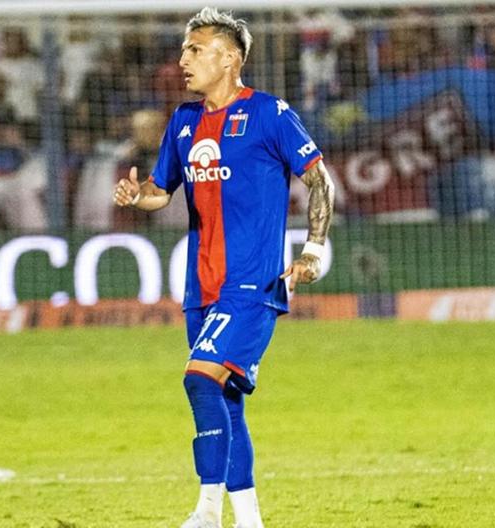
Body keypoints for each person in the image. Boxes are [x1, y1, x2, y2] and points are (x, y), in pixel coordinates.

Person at [112, 7, 334, 528]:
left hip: (253, 284)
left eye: (195, 49)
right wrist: (137, 196)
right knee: (226, 401)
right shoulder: (184, 121)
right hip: (202, 287)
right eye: (183, 49)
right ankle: (249, 521)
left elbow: (319, 179)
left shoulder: (269, 113)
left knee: (199, 380)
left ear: (230, 58)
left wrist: (313, 251)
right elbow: (162, 191)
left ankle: (208, 511)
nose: (182, 60)